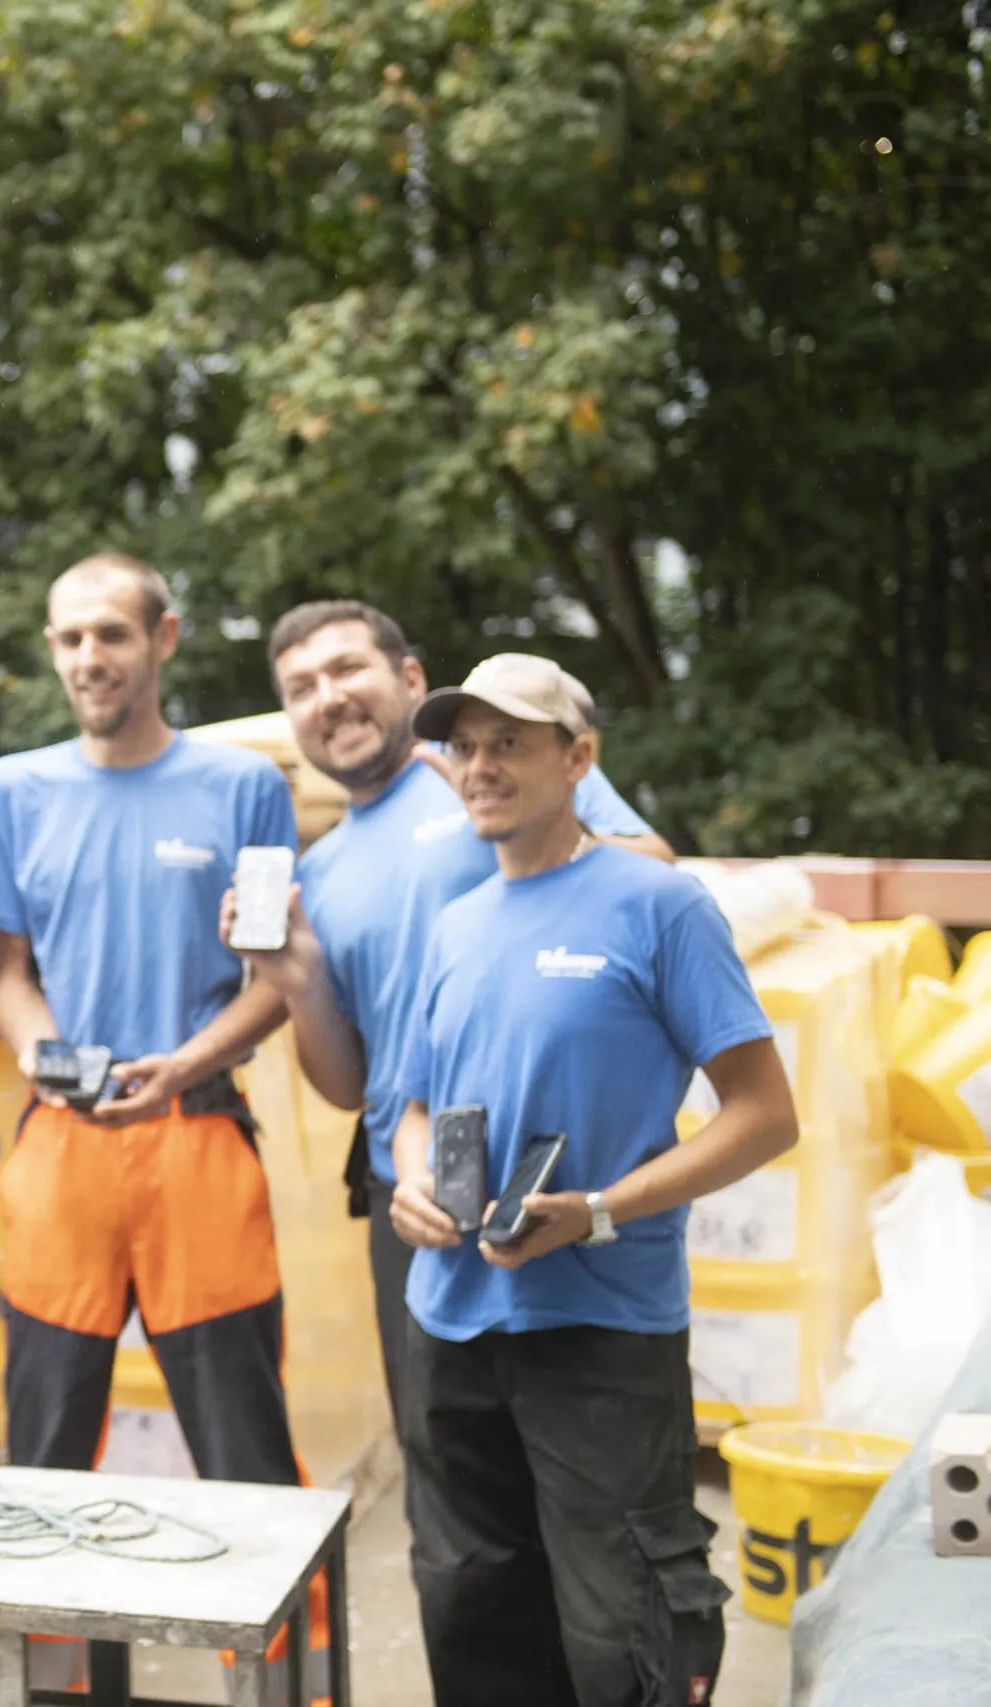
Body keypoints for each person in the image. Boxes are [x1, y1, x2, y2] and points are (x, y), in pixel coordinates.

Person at [388, 654, 795, 1707]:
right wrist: (409, 1182)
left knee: (626, 1629)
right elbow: (413, 1107)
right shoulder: (453, 924)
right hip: (451, 1326)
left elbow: (762, 1116)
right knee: (470, 1609)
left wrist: (600, 1211)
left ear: (578, 758)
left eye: (510, 742)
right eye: (465, 746)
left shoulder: (659, 906)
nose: (481, 765)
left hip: (602, 1326)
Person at [234, 599, 670, 1429]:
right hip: (418, 1200)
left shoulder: (500, 766)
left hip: (559, 1180)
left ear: (408, 678)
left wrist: (487, 788)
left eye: (346, 669)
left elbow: (657, 869)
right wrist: (297, 979)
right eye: (301, 686)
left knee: (595, 1498)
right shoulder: (317, 873)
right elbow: (354, 1084)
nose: (327, 697)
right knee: (451, 1498)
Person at [0, 554, 301, 1485]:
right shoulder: (13, 792)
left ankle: (284, 1641)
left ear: (163, 637)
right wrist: (43, 1055)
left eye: (110, 633)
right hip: (62, 1144)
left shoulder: (243, 787)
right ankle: (50, 1639)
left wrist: (186, 1064)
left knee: (247, 1453)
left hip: (196, 1134)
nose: (88, 657)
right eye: (69, 638)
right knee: (45, 1455)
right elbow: (4, 971)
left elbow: (278, 979)